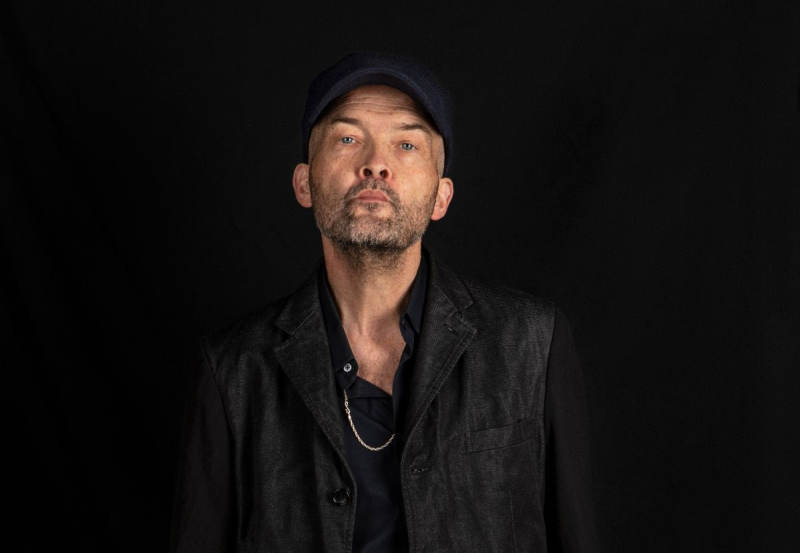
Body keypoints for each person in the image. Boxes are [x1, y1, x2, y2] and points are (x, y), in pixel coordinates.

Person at [170, 51, 599, 553]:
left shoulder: (531, 343)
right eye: (348, 139)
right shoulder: (234, 370)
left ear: (441, 196)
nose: (375, 163)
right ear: (304, 183)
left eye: (406, 144)